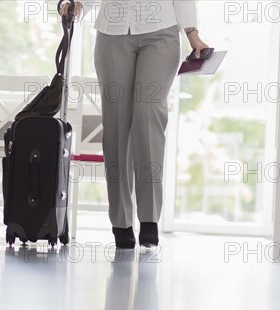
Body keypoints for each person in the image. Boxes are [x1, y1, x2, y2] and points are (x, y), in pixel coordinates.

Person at [60, 0, 209, 248]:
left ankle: (149, 219)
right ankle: (121, 222)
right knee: (116, 125)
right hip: (112, 32)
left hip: (161, 31)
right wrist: (76, 4)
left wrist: (192, 33)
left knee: (147, 114)